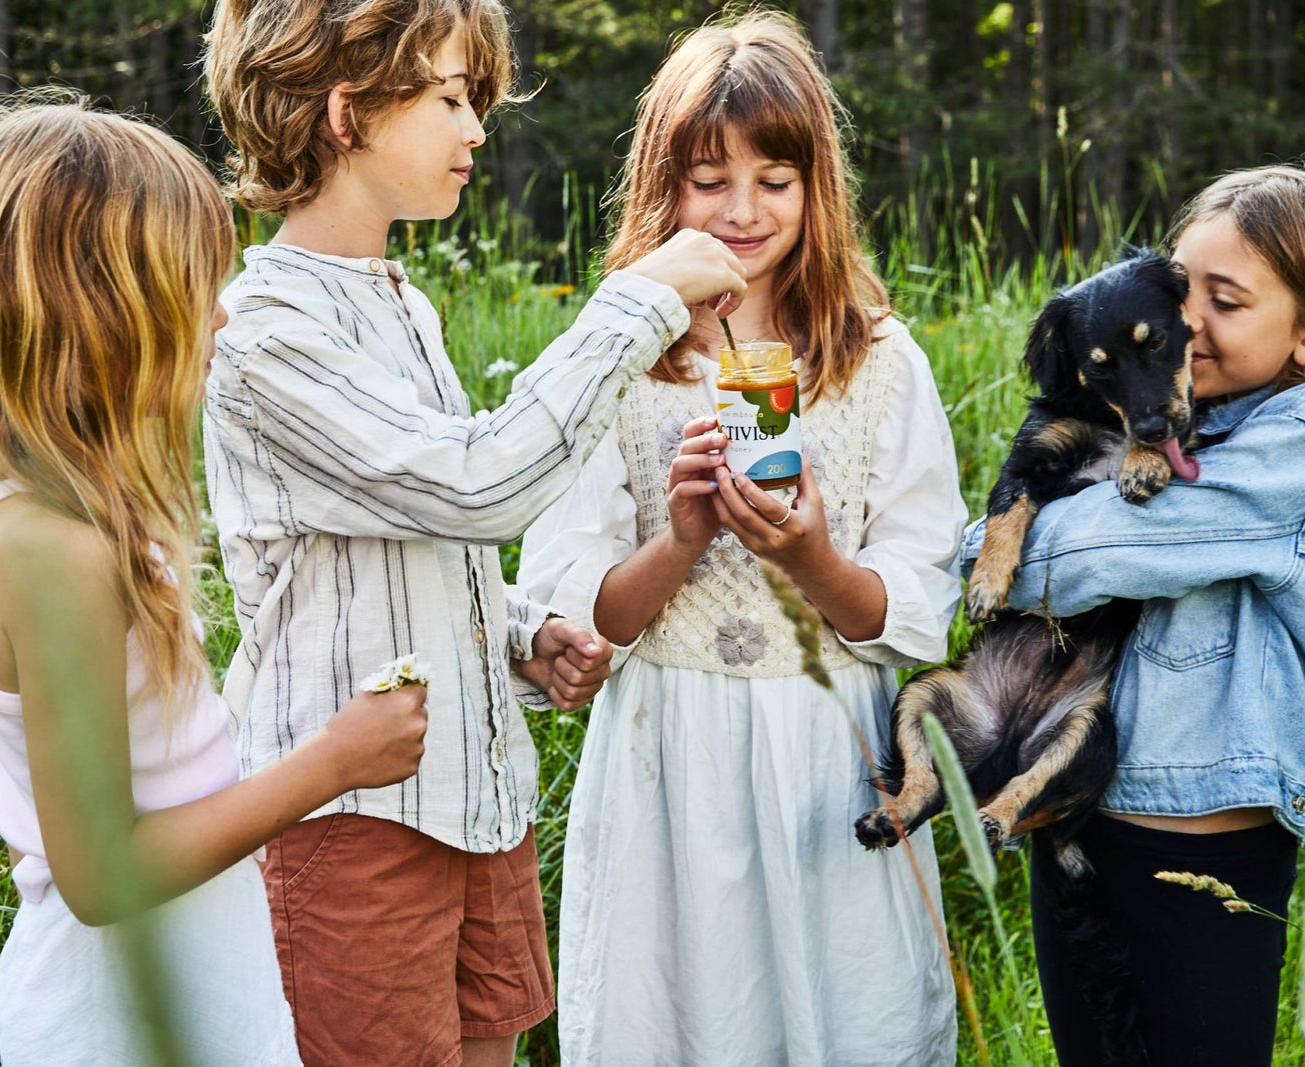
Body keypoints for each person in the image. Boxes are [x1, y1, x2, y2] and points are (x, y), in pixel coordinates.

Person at [199, 2, 747, 1064]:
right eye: (451, 98)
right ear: (346, 111)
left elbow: (400, 547)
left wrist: (515, 628)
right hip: (352, 823)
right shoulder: (267, 333)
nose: (476, 131)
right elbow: (474, 488)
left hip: (474, 803)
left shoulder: (402, 303)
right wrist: (635, 303)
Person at [0, 100, 435, 1067]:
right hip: (121, 1009)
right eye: (198, 284)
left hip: (194, 973)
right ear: (105, 311)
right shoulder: (47, 549)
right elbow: (102, 876)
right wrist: (330, 762)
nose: (224, 310)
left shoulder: (69, 516)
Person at [517, 11, 965, 1065]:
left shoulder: (877, 361)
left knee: (842, 1014)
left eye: (774, 176)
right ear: (661, 185)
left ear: (818, 186)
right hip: (664, 758)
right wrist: (678, 540)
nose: (742, 208)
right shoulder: (616, 357)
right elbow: (576, 609)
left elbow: (915, 607)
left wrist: (809, 556)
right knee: (672, 1019)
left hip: (826, 758)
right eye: (708, 177)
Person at [969, 165, 1305, 1066]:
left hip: (1203, 842)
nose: (1188, 325)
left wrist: (995, 541)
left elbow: (1086, 557)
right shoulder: (1193, 416)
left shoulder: (1288, 452)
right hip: (1085, 803)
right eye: (1184, 292)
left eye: (1225, 303)